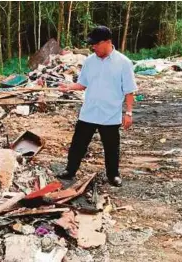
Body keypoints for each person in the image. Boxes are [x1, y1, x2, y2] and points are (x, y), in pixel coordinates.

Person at [56, 25, 137, 187]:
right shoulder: (89, 61)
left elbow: (129, 90)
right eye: (92, 44)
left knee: (112, 147)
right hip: (89, 112)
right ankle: (70, 171)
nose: (93, 47)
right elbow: (83, 84)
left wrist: (128, 113)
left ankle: (113, 175)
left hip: (110, 114)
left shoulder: (123, 63)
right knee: (78, 144)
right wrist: (69, 87)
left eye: (96, 43)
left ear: (107, 42)